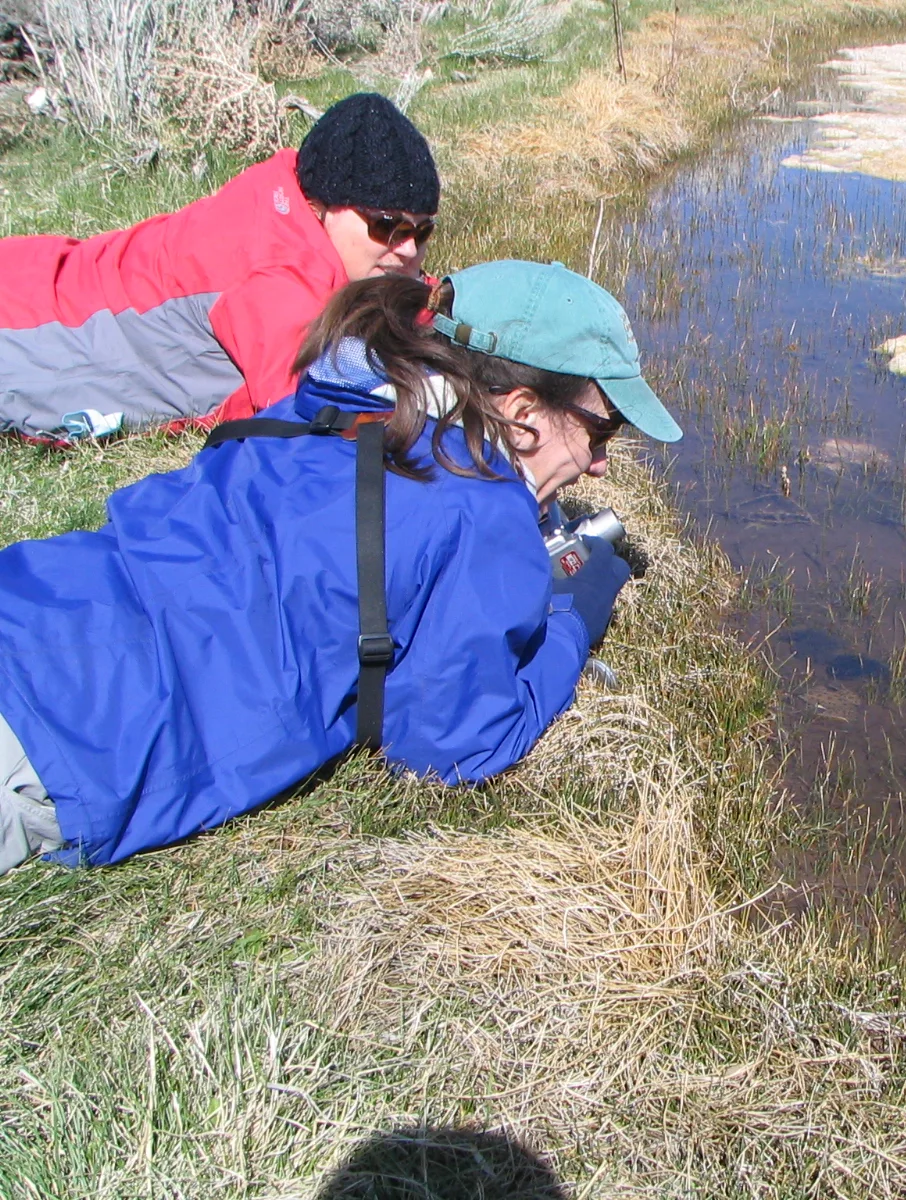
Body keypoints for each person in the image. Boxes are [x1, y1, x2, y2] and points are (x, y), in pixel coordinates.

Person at [0, 260, 684, 872]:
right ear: (523, 409)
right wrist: (574, 618)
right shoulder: (480, 509)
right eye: (602, 430)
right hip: (66, 737)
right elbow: (452, 746)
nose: (599, 462)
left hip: (37, 598)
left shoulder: (337, 401)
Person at [0, 92, 439, 441]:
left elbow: (398, 312)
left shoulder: (289, 204)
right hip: (23, 328)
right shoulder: (277, 274)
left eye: (420, 233)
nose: (406, 250)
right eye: (387, 227)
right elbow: (317, 409)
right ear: (323, 205)